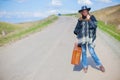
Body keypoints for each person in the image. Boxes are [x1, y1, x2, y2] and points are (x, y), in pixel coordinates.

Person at [74, 6, 105, 73]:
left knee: (92, 52)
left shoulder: (92, 17)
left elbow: (95, 26)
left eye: (85, 11)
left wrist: (89, 20)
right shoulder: (80, 20)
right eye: (83, 11)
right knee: (84, 52)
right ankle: (85, 66)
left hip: (90, 38)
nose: (84, 12)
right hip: (82, 39)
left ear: (88, 11)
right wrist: (78, 37)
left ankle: (100, 65)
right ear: (81, 12)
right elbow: (76, 29)